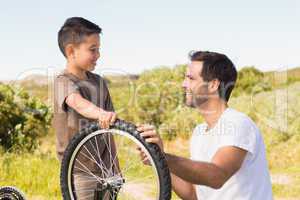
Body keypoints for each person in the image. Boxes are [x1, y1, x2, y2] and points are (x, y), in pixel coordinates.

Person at [138, 51, 273, 200]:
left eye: (190, 78)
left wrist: (166, 157)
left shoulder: (238, 123)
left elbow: (217, 175)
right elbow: (193, 194)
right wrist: (157, 157)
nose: (184, 84)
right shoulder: (199, 132)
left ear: (213, 84)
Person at [53, 17, 118, 199]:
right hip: (78, 171)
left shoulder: (99, 82)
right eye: (93, 50)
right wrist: (100, 113)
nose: (98, 55)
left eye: (99, 49)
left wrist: (115, 166)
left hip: (105, 167)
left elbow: (110, 129)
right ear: (71, 51)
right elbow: (76, 101)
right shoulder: (63, 81)